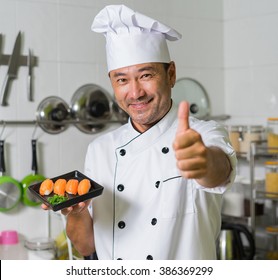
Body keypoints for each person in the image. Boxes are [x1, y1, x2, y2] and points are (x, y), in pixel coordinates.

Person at [43, 5, 237, 260]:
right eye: (122, 80)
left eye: (146, 75)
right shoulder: (100, 149)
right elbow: (86, 246)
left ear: (171, 74)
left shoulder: (203, 134)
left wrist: (203, 163)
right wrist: (76, 213)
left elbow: (219, 171)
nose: (135, 93)